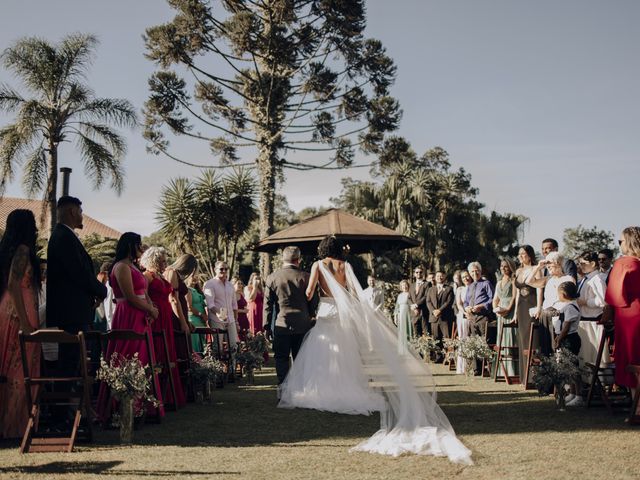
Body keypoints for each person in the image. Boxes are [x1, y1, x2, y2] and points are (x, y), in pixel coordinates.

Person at [278, 236, 472, 464]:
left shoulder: (318, 265)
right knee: (346, 352)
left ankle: (325, 390)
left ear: (322, 249)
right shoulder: (345, 266)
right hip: (341, 314)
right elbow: (353, 292)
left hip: (326, 312)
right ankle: (348, 387)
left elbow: (310, 292)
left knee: (325, 353)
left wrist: (305, 296)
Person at [96, 233, 162, 422]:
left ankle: (144, 407)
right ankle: (123, 406)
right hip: (129, 315)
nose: (141, 249)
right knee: (128, 356)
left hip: (142, 316)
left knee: (144, 358)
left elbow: (143, 292)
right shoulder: (121, 267)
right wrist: (149, 308)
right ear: (130, 245)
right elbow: (130, 296)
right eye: (138, 245)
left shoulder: (133, 266)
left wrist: (151, 307)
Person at [47, 196, 107, 374]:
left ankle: (71, 398)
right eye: (80, 212)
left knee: (74, 361)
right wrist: (101, 290)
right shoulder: (64, 237)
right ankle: (66, 400)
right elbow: (80, 273)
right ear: (72, 211)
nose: (82, 216)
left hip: (74, 311)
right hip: (71, 313)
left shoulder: (64, 236)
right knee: (69, 362)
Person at [0, 210, 42, 439]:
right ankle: (14, 427)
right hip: (19, 313)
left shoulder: (10, 251)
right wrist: (25, 322)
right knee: (20, 371)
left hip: (10, 310)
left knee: (9, 369)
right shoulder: (23, 251)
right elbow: (14, 284)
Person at [264, 247, 316, 386]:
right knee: (300, 359)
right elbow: (313, 303)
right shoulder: (306, 277)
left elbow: (268, 306)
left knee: (281, 358)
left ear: (283, 259)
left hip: (282, 324)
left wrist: (266, 327)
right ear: (298, 259)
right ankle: (300, 389)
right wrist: (312, 317)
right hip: (303, 325)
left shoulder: (272, 277)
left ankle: (283, 388)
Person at [141, 246, 185, 407]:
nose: (165, 263)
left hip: (166, 318)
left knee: (168, 353)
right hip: (156, 317)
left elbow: (173, 297)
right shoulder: (147, 276)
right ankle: (156, 396)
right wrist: (151, 310)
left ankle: (169, 396)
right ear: (154, 260)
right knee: (158, 353)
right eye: (162, 260)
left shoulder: (160, 276)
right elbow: (143, 295)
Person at [605, 226, 640, 409]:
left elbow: (614, 295)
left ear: (629, 241)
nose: (619, 245)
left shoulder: (623, 263)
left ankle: (637, 406)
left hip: (630, 315)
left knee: (632, 359)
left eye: (621, 241)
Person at [525, 252, 575, 356]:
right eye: (547, 266)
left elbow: (571, 300)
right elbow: (528, 281)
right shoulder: (548, 279)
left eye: (550, 264)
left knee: (558, 350)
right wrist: (538, 267)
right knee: (546, 350)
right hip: (546, 318)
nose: (548, 267)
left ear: (559, 264)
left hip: (560, 319)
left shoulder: (568, 279)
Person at [575, 251, 609, 368]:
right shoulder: (586, 279)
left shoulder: (598, 279)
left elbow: (603, 301)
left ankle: (598, 381)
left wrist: (584, 302)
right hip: (584, 320)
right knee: (585, 355)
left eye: (583, 263)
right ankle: (587, 381)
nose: (581, 266)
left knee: (594, 356)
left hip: (593, 322)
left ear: (593, 263)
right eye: (579, 264)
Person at [552, 281, 583, 406]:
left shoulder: (570, 307)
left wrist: (559, 338)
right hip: (565, 338)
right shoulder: (567, 306)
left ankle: (579, 395)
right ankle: (572, 392)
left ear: (564, 294)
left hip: (570, 338)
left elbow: (566, 327)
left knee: (573, 367)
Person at [513, 245, 541, 382]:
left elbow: (540, 289)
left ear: (530, 255)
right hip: (521, 307)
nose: (521, 256)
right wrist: (514, 314)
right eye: (519, 254)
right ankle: (524, 377)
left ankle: (535, 377)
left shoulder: (536, 269)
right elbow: (518, 293)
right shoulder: (518, 271)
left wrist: (539, 307)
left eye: (523, 254)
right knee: (523, 340)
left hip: (532, 305)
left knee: (533, 338)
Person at [463, 262, 494, 375]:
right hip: (472, 317)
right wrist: (466, 307)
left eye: (477, 271)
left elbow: (492, 300)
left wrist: (481, 306)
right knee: (473, 342)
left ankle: (488, 368)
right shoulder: (470, 286)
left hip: (483, 317)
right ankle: (476, 369)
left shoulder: (486, 283)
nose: (474, 273)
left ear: (480, 271)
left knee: (484, 342)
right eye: (472, 271)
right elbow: (466, 301)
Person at [204, 261, 239, 348]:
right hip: (216, 320)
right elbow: (210, 304)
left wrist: (236, 321)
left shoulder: (230, 285)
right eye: (221, 269)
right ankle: (217, 362)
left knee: (234, 346)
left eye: (226, 269)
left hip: (231, 320)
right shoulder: (209, 284)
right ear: (215, 270)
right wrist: (219, 313)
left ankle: (233, 362)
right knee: (218, 347)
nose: (224, 271)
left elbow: (234, 305)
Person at [492, 258, 517, 377]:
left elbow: (514, 297)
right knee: (501, 338)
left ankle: (513, 370)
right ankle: (502, 370)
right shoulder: (499, 282)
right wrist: (495, 309)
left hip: (510, 311)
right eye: (502, 266)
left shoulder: (513, 280)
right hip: (500, 312)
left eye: (506, 266)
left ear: (510, 267)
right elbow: (495, 299)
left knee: (510, 337)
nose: (503, 268)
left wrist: (508, 309)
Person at [164, 254, 198, 335]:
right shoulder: (172, 272)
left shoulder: (175, 274)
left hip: (181, 316)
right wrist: (183, 323)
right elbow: (173, 299)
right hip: (176, 318)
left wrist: (186, 321)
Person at [426, 271, 455, 361]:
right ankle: (439, 357)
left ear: (445, 277)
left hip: (445, 317)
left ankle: (448, 357)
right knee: (436, 338)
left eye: (442, 276)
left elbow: (449, 302)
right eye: (438, 276)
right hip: (434, 317)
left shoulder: (449, 288)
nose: (440, 277)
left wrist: (440, 310)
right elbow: (428, 301)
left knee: (447, 338)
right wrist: (433, 311)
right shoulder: (431, 289)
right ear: (435, 277)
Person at [455, 270, 473, 374]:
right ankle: (462, 366)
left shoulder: (474, 287)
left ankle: (471, 365)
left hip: (472, 315)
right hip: (462, 316)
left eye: (467, 276)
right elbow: (459, 303)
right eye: (463, 277)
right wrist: (464, 312)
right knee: (463, 339)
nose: (465, 279)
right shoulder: (460, 289)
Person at [186, 275, 208, 353]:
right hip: (194, 320)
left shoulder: (198, 291)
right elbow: (189, 307)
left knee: (203, 345)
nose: (195, 277)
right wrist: (201, 315)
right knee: (196, 346)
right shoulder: (187, 290)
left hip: (201, 321)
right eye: (192, 276)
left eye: (196, 276)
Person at [393, 280, 413, 354]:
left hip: (408, 314)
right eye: (403, 285)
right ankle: (402, 349)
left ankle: (409, 349)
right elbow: (397, 307)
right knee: (401, 331)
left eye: (405, 285)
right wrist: (395, 316)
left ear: (408, 285)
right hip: (400, 314)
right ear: (401, 287)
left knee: (408, 330)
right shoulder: (399, 295)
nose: (404, 287)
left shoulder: (410, 294)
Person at [408, 266, 428, 337]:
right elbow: (409, 297)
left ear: (423, 273)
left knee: (426, 333)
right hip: (414, 313)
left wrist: (416, 305)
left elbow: (426, 296)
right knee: (416, 334)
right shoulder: (411, 285)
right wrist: (413, 307)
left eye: (420, 272)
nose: (418, 273)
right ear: (414, 274)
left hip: (423, 312)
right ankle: (417, 348)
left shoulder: (427, 284)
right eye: (417, 272)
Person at [233, 277, 249, 341]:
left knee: (245, 337)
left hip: (244, 318)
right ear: (234, 285)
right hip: (238, 318)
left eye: (241, 284)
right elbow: (232, 309)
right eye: (238, 283)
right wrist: (243, 311)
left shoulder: (241, 294)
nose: (240, 285)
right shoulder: (233, 295)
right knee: (239, 337)